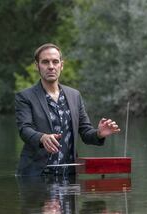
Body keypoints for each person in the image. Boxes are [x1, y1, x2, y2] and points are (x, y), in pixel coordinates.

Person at [15, 43, 120, 176]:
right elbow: (24, 129)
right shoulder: (25, 96)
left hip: (69, 174)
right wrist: (42, 137)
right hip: (36, 175)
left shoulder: (74, 95)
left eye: (55, 62)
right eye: (45, 62)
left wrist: (99, 133)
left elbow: (86, 132)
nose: (51, 66)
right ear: (37, 66)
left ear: (61, 65)